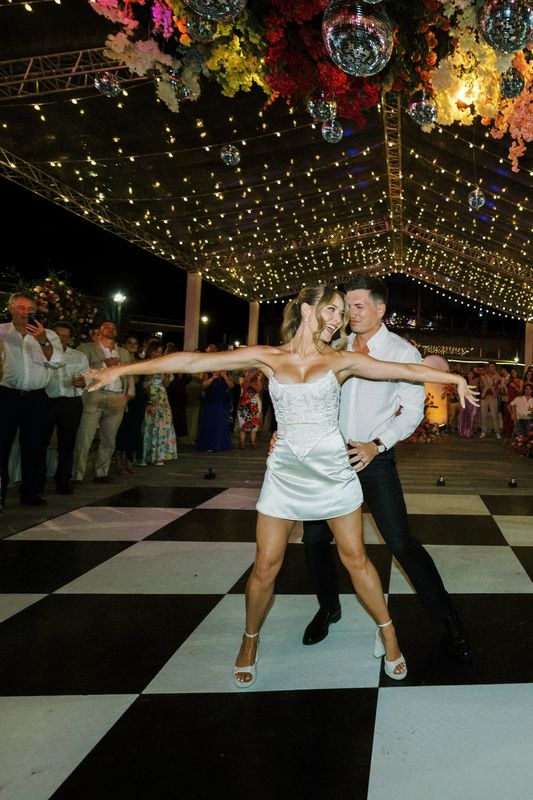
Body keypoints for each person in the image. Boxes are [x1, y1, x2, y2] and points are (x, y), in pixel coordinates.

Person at [84, 285, 478, 688]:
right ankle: (276, 628)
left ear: (379, 309)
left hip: (352, 463)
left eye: (345, 311)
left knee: (376, 551)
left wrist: (451, 379)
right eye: (334, 310)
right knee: (278, 559)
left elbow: (408, 376)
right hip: (295, 469)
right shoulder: (283, 354)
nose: (340, 318)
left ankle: (414, 629)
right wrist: (119, 370)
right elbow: (193, 360)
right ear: (307, 310)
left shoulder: (356, 356)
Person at [300, 276, 475, 661]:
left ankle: (449, 619)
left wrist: (376, 445)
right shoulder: (336, 346)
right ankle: (328, 608)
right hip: (330, 459)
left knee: (401, 542)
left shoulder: (402, 352)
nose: (350, 313)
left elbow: (412, 412)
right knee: (313, 539)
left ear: (380, 310)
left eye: (359, 306)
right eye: (347, 306)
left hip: (374, 458)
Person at [0, 293, 64, 506]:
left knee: (34, 447)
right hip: (6, 395)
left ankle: (30, 492)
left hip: (36, 397)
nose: (25, 313)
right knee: (2, 447)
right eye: (21, 308)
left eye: (30, 309)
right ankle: (1, 494)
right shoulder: (1, 331)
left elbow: (57, 362)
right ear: (10, 308)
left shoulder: (49, 335)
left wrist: (42, 340)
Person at [72, 320, 134, 484]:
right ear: (98, 331)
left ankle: (101, 472)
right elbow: (80, 370)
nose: (111, 329)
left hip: (116, 397)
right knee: (85, 437)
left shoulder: (123, 352)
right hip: (94, 395)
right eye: (106, 326)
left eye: (113, 327)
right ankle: (77, 475)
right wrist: (103, 364)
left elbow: (129, 374)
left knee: (109, 439)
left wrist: (129, 394)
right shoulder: (86, 349)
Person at [44, 321, 89, 494]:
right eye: (58, 335)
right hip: (47, 400)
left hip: (71, 401)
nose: (61, 338)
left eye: (65, 336)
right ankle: (36, 482)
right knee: (40, 442)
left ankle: (63, 481)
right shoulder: (41, 352)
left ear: (70, 338)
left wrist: (83, 382)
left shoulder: (78, 356)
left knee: (67, 444)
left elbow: (87, 377)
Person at [140, 341, 178, 465]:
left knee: (162, 424)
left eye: (160, 352)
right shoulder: (145, 364)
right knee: (149, 423)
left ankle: (160, 455)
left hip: (162, 396)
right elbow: (144, 383)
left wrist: (166, 375)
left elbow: (166, 384)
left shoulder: (164, 366)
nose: (158, 354)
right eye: (155, 352)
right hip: (150, 394)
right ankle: (146, 455)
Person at [197, 344, 234, 452]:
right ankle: (209, 445)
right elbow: (203, 386)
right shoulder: (207, 372)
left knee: (221, 422)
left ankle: (221, 445)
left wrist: (225, 376)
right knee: (209, 422)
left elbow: (231, 386)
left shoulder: (225, 371)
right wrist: (212, 378)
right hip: (210, 399)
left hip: (222, 400)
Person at [237, 367, 263, 449]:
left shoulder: (257, 377)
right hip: (244, 403)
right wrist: (249, 378)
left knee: (254, 423)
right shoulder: (241, 377)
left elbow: (259, 389)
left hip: (254, 403)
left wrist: (253, 380)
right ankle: (242, 442)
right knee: (243, 422)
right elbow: (244, 387)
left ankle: (253, 442)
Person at [479, 361, 502, 439]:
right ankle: (483, 432)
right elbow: (481, 385)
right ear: (488, 367)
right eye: (490, 366)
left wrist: (494, 389)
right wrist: (483, 387)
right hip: (484, 397)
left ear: (495, 368)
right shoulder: (483, 376)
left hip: (493, 398)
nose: (491, 368)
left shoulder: (498, 377)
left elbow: (498, 387)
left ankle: (497, 432)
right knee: (483, 415)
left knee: (494, 416)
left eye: (492, 366)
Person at [458, 368, 480, 438]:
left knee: (472, 416)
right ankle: (462, 431)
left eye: (471, 374)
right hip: (465, 399)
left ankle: (469, 432)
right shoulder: (464, 382)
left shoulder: (476, 381)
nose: (470, 375)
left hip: (472, 399)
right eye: (469, 374)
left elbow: (476, 390)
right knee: (463, 415)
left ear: (473, 375)